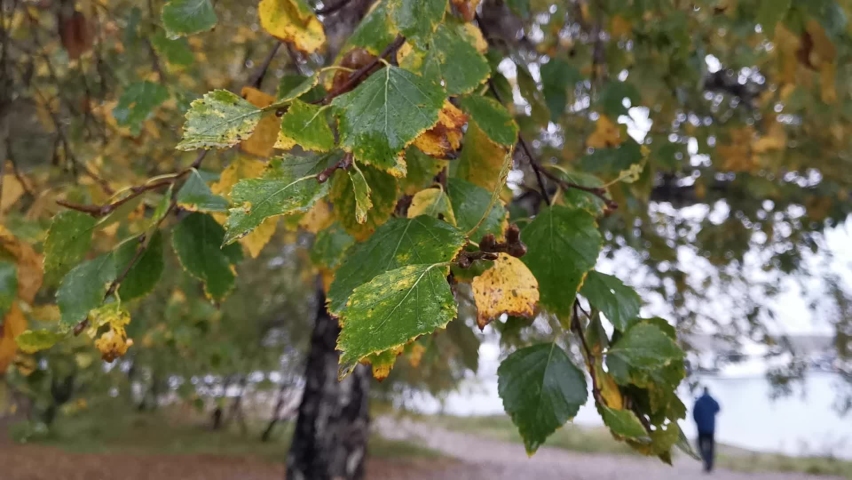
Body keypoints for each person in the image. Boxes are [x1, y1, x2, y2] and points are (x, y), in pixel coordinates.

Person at [693, 386, 721, 472]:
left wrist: (698, 422)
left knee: (700, 445)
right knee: (711, 447)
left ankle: (705, 460)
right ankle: (710, 463)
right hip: (711, 428)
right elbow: (718, 408)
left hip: (701, 428)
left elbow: (694, 414)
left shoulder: (699, 401)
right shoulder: (712, 400)